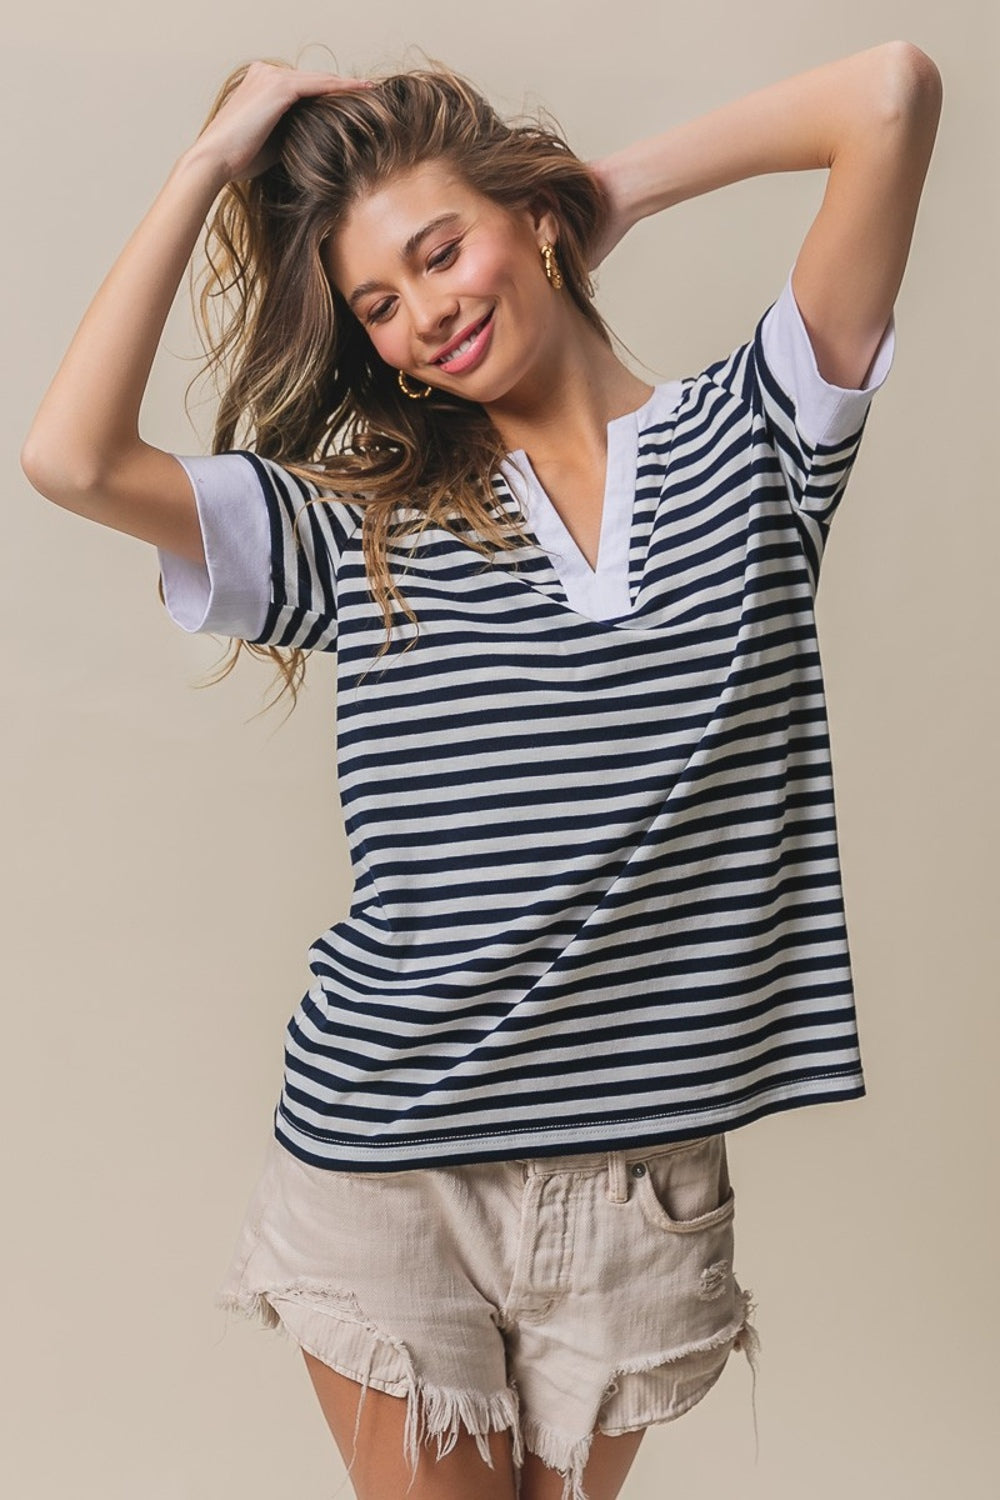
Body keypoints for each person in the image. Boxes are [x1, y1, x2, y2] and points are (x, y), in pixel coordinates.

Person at [20, 40, 941, 1500]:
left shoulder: (757, 441)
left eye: (443, 251)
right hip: (390, 1156)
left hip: (635, 1173)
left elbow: (889, 94)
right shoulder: (361, 519)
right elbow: (69, 458)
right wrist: (207, 165)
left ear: (531, 223)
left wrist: (598, 187)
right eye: (378, 304)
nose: (423, 317)